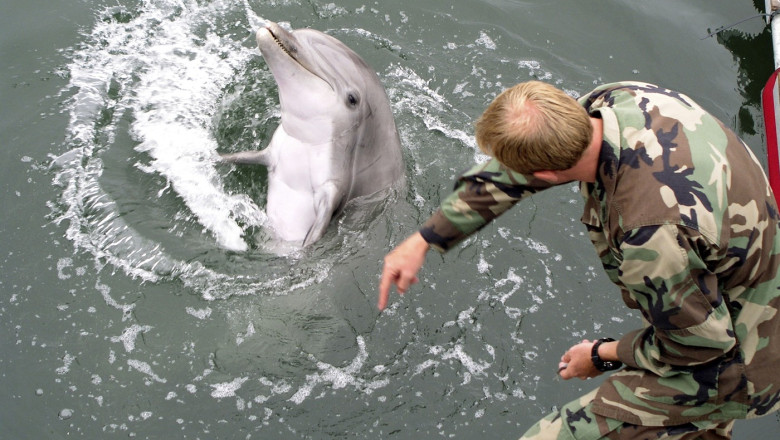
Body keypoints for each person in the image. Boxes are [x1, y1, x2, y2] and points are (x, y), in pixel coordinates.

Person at [377, 81, 780, 439]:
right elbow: (517, 168)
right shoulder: (614, 102)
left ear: (546, 175)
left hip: (743, 368)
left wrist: (602, 354)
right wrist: (425, 238)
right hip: (734, 288)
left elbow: (698, 349)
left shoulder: (648, 234)